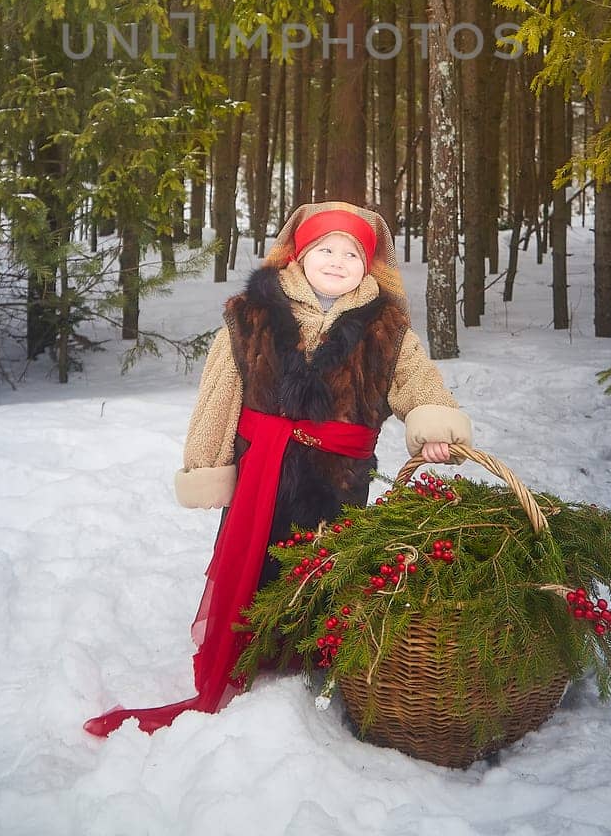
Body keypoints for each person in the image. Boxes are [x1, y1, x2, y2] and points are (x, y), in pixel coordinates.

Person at [82, 199, 472, 738]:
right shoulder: (253, 315)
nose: (337, 261)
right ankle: (252, 640)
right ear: (298, 255)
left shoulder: (387, 327)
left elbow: (418, 383)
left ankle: (318, 651)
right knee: (260, 556)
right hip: (262, 471)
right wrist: (207, 462)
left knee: (326, 562)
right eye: (324, 250)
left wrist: (433, 427)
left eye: (351, 253)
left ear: (370, 265)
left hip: (339, 476)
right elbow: (221, 393)